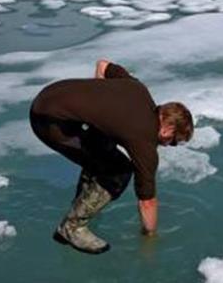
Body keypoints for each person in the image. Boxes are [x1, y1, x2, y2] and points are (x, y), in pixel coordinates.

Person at [29, 59, 194, 254]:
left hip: (46, 97)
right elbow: (147, 201)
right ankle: (72, 227)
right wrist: (150, 237)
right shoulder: (144, 141)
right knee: (120, 171)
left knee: (102, 145)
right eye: (174, 141)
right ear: (168, 129)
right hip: (51, 123)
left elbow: (103, 65)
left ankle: (81, 204)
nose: (169, 146)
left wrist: (96, 111)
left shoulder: (138, 89)